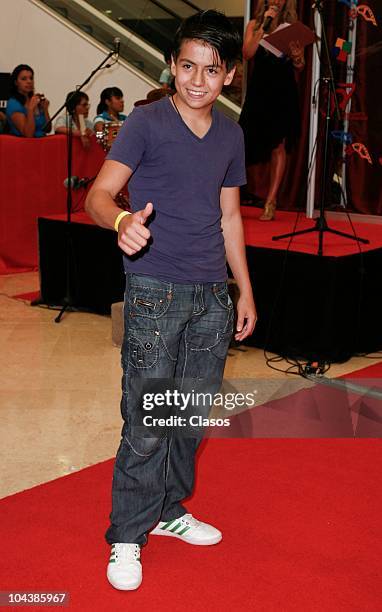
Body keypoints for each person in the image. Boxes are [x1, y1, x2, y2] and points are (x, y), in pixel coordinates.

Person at [85, 9, 257, 592]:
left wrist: (244, 291)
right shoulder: (148, 124)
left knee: (187, 418)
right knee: (148, 420)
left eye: (212, 69)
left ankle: (167, 511)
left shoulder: (232, 134)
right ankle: (127, 536)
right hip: (155, 289)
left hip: (212, 295)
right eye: (187, 66)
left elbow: (231, 217)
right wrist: (123, 220)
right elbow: (99, 195)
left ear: (229, 75)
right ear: (173, 66)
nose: (198, 80)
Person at [239, 0, 305, 220]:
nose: (277, 0)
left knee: (279, 145)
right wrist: (262, 27)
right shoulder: (255, 24)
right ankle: (229, 195)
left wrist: (296, 56)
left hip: (283, 89)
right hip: (260, 89)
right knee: (243, 142)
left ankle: (271, 201)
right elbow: (247, 53)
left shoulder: (291, 26)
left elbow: (300, 64)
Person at [6, 64, 50, 137]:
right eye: (24, 79)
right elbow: (28, 134)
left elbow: (47, 129)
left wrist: (45, 109)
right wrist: (30, 109)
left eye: (31, 78)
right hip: (25, 146)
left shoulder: (34, 99)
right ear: (16, 82)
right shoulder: (13, 103)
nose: (29, 81)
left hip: (42, 144)